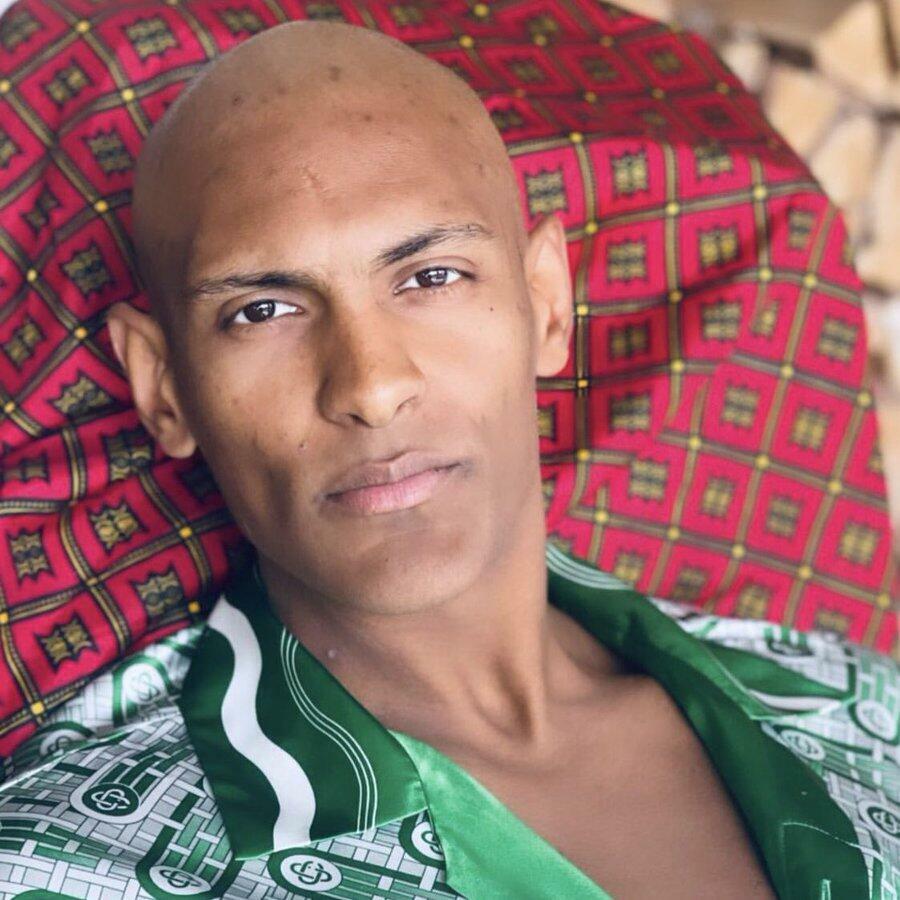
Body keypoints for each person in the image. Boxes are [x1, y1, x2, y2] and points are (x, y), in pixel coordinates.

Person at [0, 19, 896, 900]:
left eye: (432, 277)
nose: (372, 385)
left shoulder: (860, 709)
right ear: (164, 388)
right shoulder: (76, 868)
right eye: (262, 311)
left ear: (547, 305)